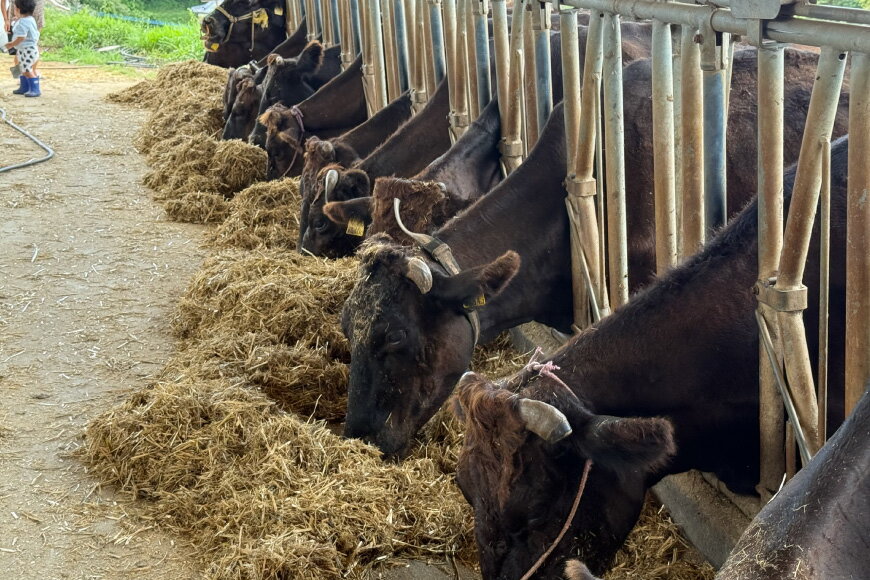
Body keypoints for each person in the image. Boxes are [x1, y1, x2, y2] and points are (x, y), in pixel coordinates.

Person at [4, 0, 40, 97]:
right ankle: (24, 87)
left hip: (27, 50)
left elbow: (21, 37)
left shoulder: (23, 22)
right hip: (27, 49)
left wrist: (11, 44)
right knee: (22, 68)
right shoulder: (30, 19)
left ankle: (35, 89)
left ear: (18, 9)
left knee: (27, 70)